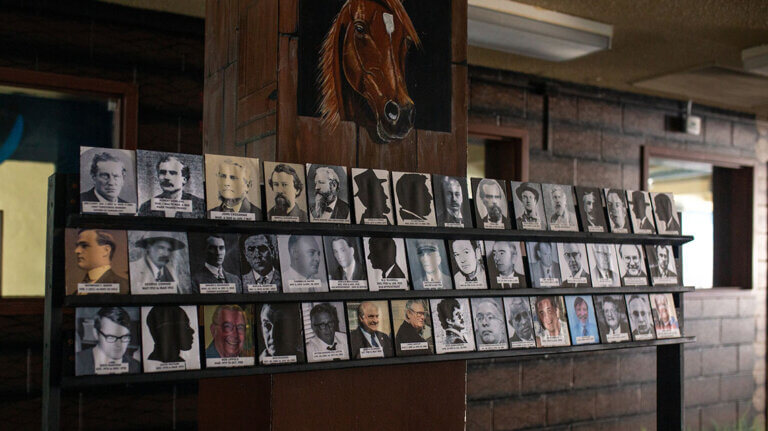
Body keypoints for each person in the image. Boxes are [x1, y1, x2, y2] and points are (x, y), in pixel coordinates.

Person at [76, 307, 139, 375]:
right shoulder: (77, 362)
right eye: (111, 337)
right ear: (96, 333)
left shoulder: (136, 366)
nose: (118, 344)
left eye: (124, 337)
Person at [139, 154, 205, 217]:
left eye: (173, 173)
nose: (167, 177)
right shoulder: (146, 207)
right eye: (162, 172)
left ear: (184, 179)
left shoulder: (200, 205)